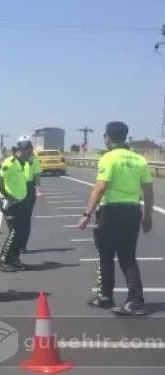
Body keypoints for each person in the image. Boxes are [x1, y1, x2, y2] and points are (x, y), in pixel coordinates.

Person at [77, 121, 153, 316]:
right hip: (132, 210)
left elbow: (101, 187)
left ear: (108, 138)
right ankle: (133, 299)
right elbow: (148, 190)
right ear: (125, 137)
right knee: (128, 256)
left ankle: (106, 296)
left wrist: (87, 214)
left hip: (111, 212)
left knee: (105, 254)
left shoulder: (108, 158)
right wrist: (148, 216)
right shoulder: (139, 160)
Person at [0, 145, 29, 272]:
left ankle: (14, 259)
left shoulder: (22, 164)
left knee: (20, 233)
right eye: (26, 152)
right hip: (10, 203)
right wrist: (7, 196)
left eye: (29, 152)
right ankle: (3, 260)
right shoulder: (10, 162)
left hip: (19, 202)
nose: (27, 155)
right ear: (18, 151)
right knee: (14, 232)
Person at [17, 136, 43, 253]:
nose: (28, 148)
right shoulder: (15, 159)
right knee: (16, 218)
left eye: (29, 146)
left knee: (26, 218)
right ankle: (15, 243)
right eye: (25, 146)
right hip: (17, 189)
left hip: (29, 188)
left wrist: (38, 189)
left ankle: (22, 244)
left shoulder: (34, 159)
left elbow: (37, 175)